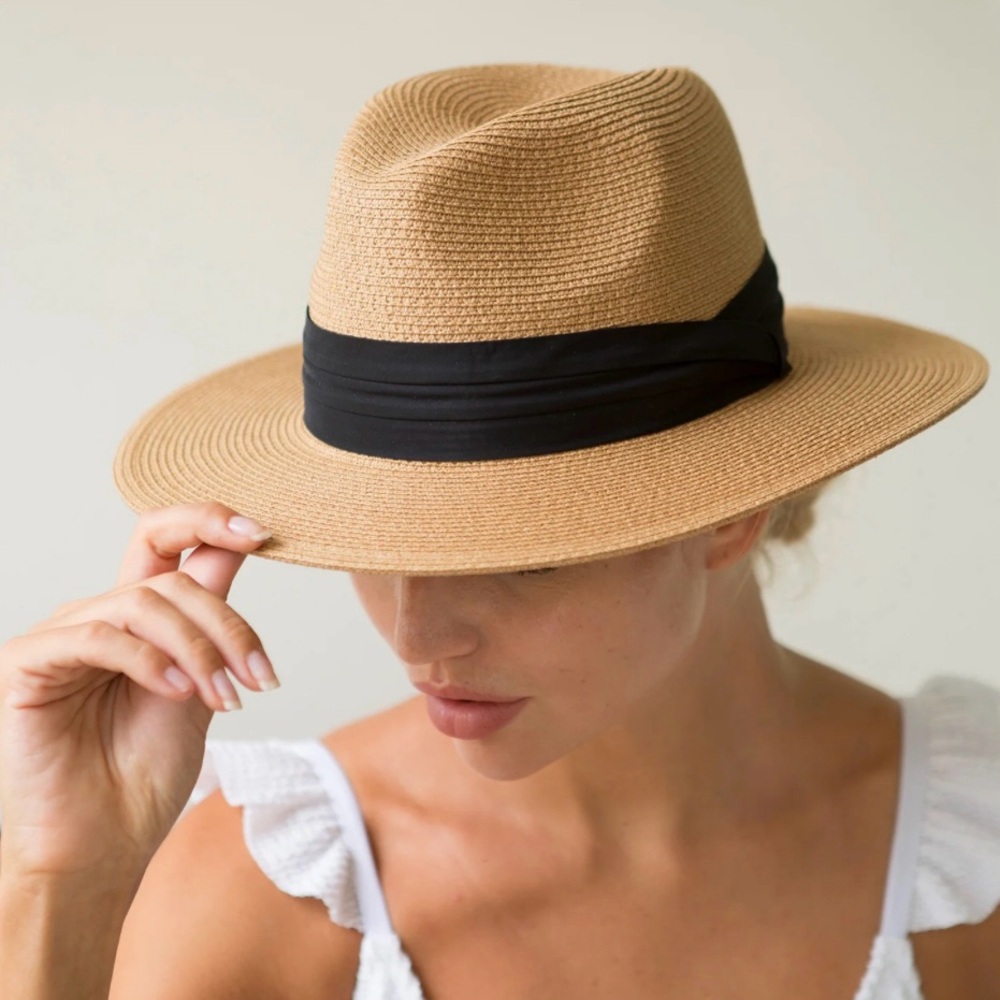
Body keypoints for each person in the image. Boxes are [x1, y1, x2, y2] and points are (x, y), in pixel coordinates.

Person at [0, 62, 996, 1000]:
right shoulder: (267, 889)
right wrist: (66, 878)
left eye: (518, 554)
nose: (416, 638)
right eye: (383, 543)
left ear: (729, 511)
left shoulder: (970, 855)